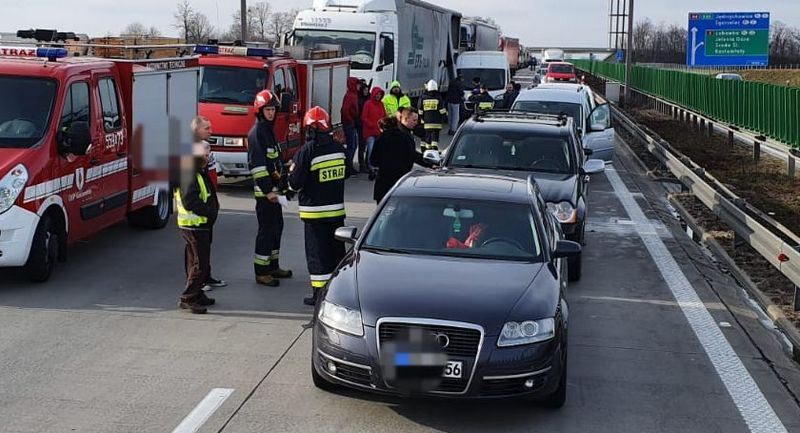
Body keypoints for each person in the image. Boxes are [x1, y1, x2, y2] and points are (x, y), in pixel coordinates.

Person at [288, 107, 347, 306]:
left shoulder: (307, 151)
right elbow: (347, 173)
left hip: (315, 215)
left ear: (311, 129)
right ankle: (338, 291)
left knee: (318, 255)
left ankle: (319, 295)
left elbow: (295, 182)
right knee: (336, 253)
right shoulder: (339, 149)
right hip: (337, 213)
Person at [248, 90, 293, 287]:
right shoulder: (257, 133)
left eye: (273, 109)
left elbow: (273, 160)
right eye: (267, 109)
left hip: (275, 192)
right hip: (265, 194)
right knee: (266, 231)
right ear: (259, 110)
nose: (271, 113)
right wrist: (268, 191)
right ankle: (261, 271)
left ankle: (273, 266)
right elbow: (257, 167)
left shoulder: (269, 131)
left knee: (277, 229)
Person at [175, 142, 219, 314]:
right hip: (195, 225)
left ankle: (197, 293)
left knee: (197, 261)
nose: (207, 158)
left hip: (199, 224)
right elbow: (191, 201)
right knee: (199, 263)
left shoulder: (197, 172)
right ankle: (189, 297)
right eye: (205, 155)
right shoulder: (190, 174)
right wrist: (209, 212)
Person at [190, 116, 227, 291]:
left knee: (206, 246)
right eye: (207, 128)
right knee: (196, 252)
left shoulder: (204, 146)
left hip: (208, 202)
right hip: (196, 213)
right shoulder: (192, 150)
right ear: (197, 131)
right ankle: (196, 283)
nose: (211, 131)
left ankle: (206, 276)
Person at [370, 108, 435, 203]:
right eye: (414, 120)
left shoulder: (382, 138)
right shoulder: (406, 137)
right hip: (401, 181)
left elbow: (373, 160)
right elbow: (413, 155)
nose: (416, 123)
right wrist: (430, 164)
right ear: (405, 119)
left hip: (384, 182)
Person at [360, 86, 386, 181]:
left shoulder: (381, 104)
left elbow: (384, 116)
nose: (378, 96)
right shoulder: (368, 104)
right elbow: (363, 117)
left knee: (377, 150)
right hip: (370, 131)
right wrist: (370, 124)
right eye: (377, 94)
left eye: (380, 94)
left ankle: (374, 166)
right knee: (371, 149)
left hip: (379, 132)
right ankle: (371, 168)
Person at [418, 79, 447, 151]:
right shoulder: (438, 96)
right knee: (435, 135)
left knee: (427, 135)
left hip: (426, 121)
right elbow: (441, 109)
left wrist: (422, 118)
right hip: (437, 122)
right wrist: (445, 117)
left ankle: (427, 149)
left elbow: (420, 109)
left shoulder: (423, 96)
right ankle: (434, 148)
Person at [341, 77, 360, 176]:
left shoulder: (352, 95)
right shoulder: (350, 96)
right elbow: (345, 111)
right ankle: (348, 166)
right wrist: (351, 121)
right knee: (351, 146)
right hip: (350, 124)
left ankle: (349, 165)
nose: (359, 86)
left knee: (353, 145)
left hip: (350, 123)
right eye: (357, 84)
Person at [357, 79, 371, 173]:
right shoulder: (359, 100)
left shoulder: (369, 99)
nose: (366, 91)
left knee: (368, 146)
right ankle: (362, 165)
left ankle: (367, 163)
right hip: (361, 125)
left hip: (368, 126)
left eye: (367, 90)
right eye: (364, 90)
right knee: (362, 146)